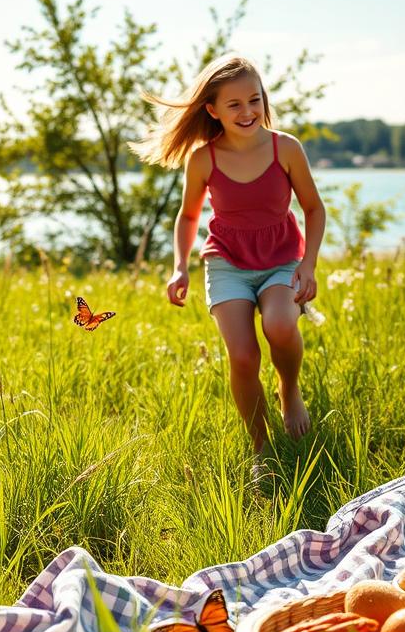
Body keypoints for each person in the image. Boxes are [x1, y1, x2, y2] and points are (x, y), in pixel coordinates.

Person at [131, 54, 326, 466]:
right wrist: (179, 266)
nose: (247, 111)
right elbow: (188, 216)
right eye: (234, 104)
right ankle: (261, 449)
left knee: (279, 324)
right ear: (212, 110)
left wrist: (307, 265)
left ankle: (289, 390)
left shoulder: (285, 148)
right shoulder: (204, 158)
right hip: (227, 263)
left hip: (280, 259)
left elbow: (313, 208)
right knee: (241, 355)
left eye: (254, 100)